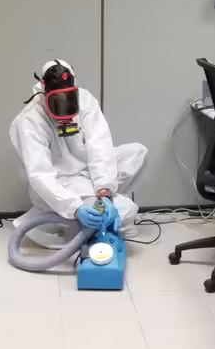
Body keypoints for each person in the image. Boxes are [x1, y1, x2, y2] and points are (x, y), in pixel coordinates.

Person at [10, 59, 147, 246]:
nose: (64, 108)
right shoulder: (29, 121)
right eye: (57, 102)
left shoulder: (85, 100)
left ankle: (98, 207)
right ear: (44, 92)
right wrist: (75, 208)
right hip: (60, 182)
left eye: (69, 99)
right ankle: (77, 217)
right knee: (127, 209)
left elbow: (100, 146)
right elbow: (40, 175)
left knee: (137, 153)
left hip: (85, 170)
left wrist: (104, 191)